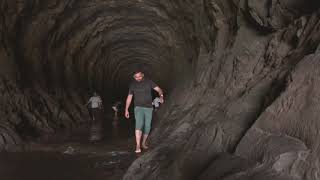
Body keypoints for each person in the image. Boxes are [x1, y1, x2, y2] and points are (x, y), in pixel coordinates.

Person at [125, 71, 164, 153]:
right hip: (138, 107)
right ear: (134, 77)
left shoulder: (149, 82)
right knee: (139, 124)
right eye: (136, 77)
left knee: (147, 126)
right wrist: (126, 109)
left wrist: (161, 96)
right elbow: (129, 97)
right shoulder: (133, 85)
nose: (138, 78)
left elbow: (159, 89)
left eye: (139, 76)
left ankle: (143, 142)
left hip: (149, 108)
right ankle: (138, 145)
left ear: (142, 75)